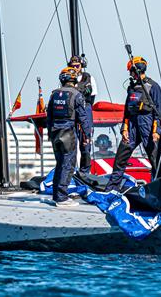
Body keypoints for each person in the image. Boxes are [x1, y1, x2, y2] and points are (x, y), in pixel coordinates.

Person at [105, 56, 161, 192]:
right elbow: (127, 109)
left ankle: (159, 188)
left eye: (131, 71)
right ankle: (111, 189)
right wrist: (124, 128)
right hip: (131, 124)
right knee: (120, 157)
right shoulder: (131, 87)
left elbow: (158, 111)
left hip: (147, 123)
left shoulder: (153, 86)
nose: (130, 74)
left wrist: (156, 131)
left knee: (155, 159)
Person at [46, 66, 92, 207]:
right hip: (68, 132)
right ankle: (62, 198)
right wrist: (87, 136)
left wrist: (50, 134)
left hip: (54, 132)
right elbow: (83, 118)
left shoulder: (53, 94)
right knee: (68, 164)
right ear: (74, 79)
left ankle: (56, 195)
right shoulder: (76, 95)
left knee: (60, 163)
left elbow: (49, 116)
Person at [68, 55, 97, 175]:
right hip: (72, 112)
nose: (75, 68)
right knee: (70, 144)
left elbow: (93, 96)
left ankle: (85, 172)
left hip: (85, 109)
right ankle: (70, 172)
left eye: (77, 66)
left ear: (82, 65)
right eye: (73, 66)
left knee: (86, 143)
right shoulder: (66, 77)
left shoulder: (89, 78)